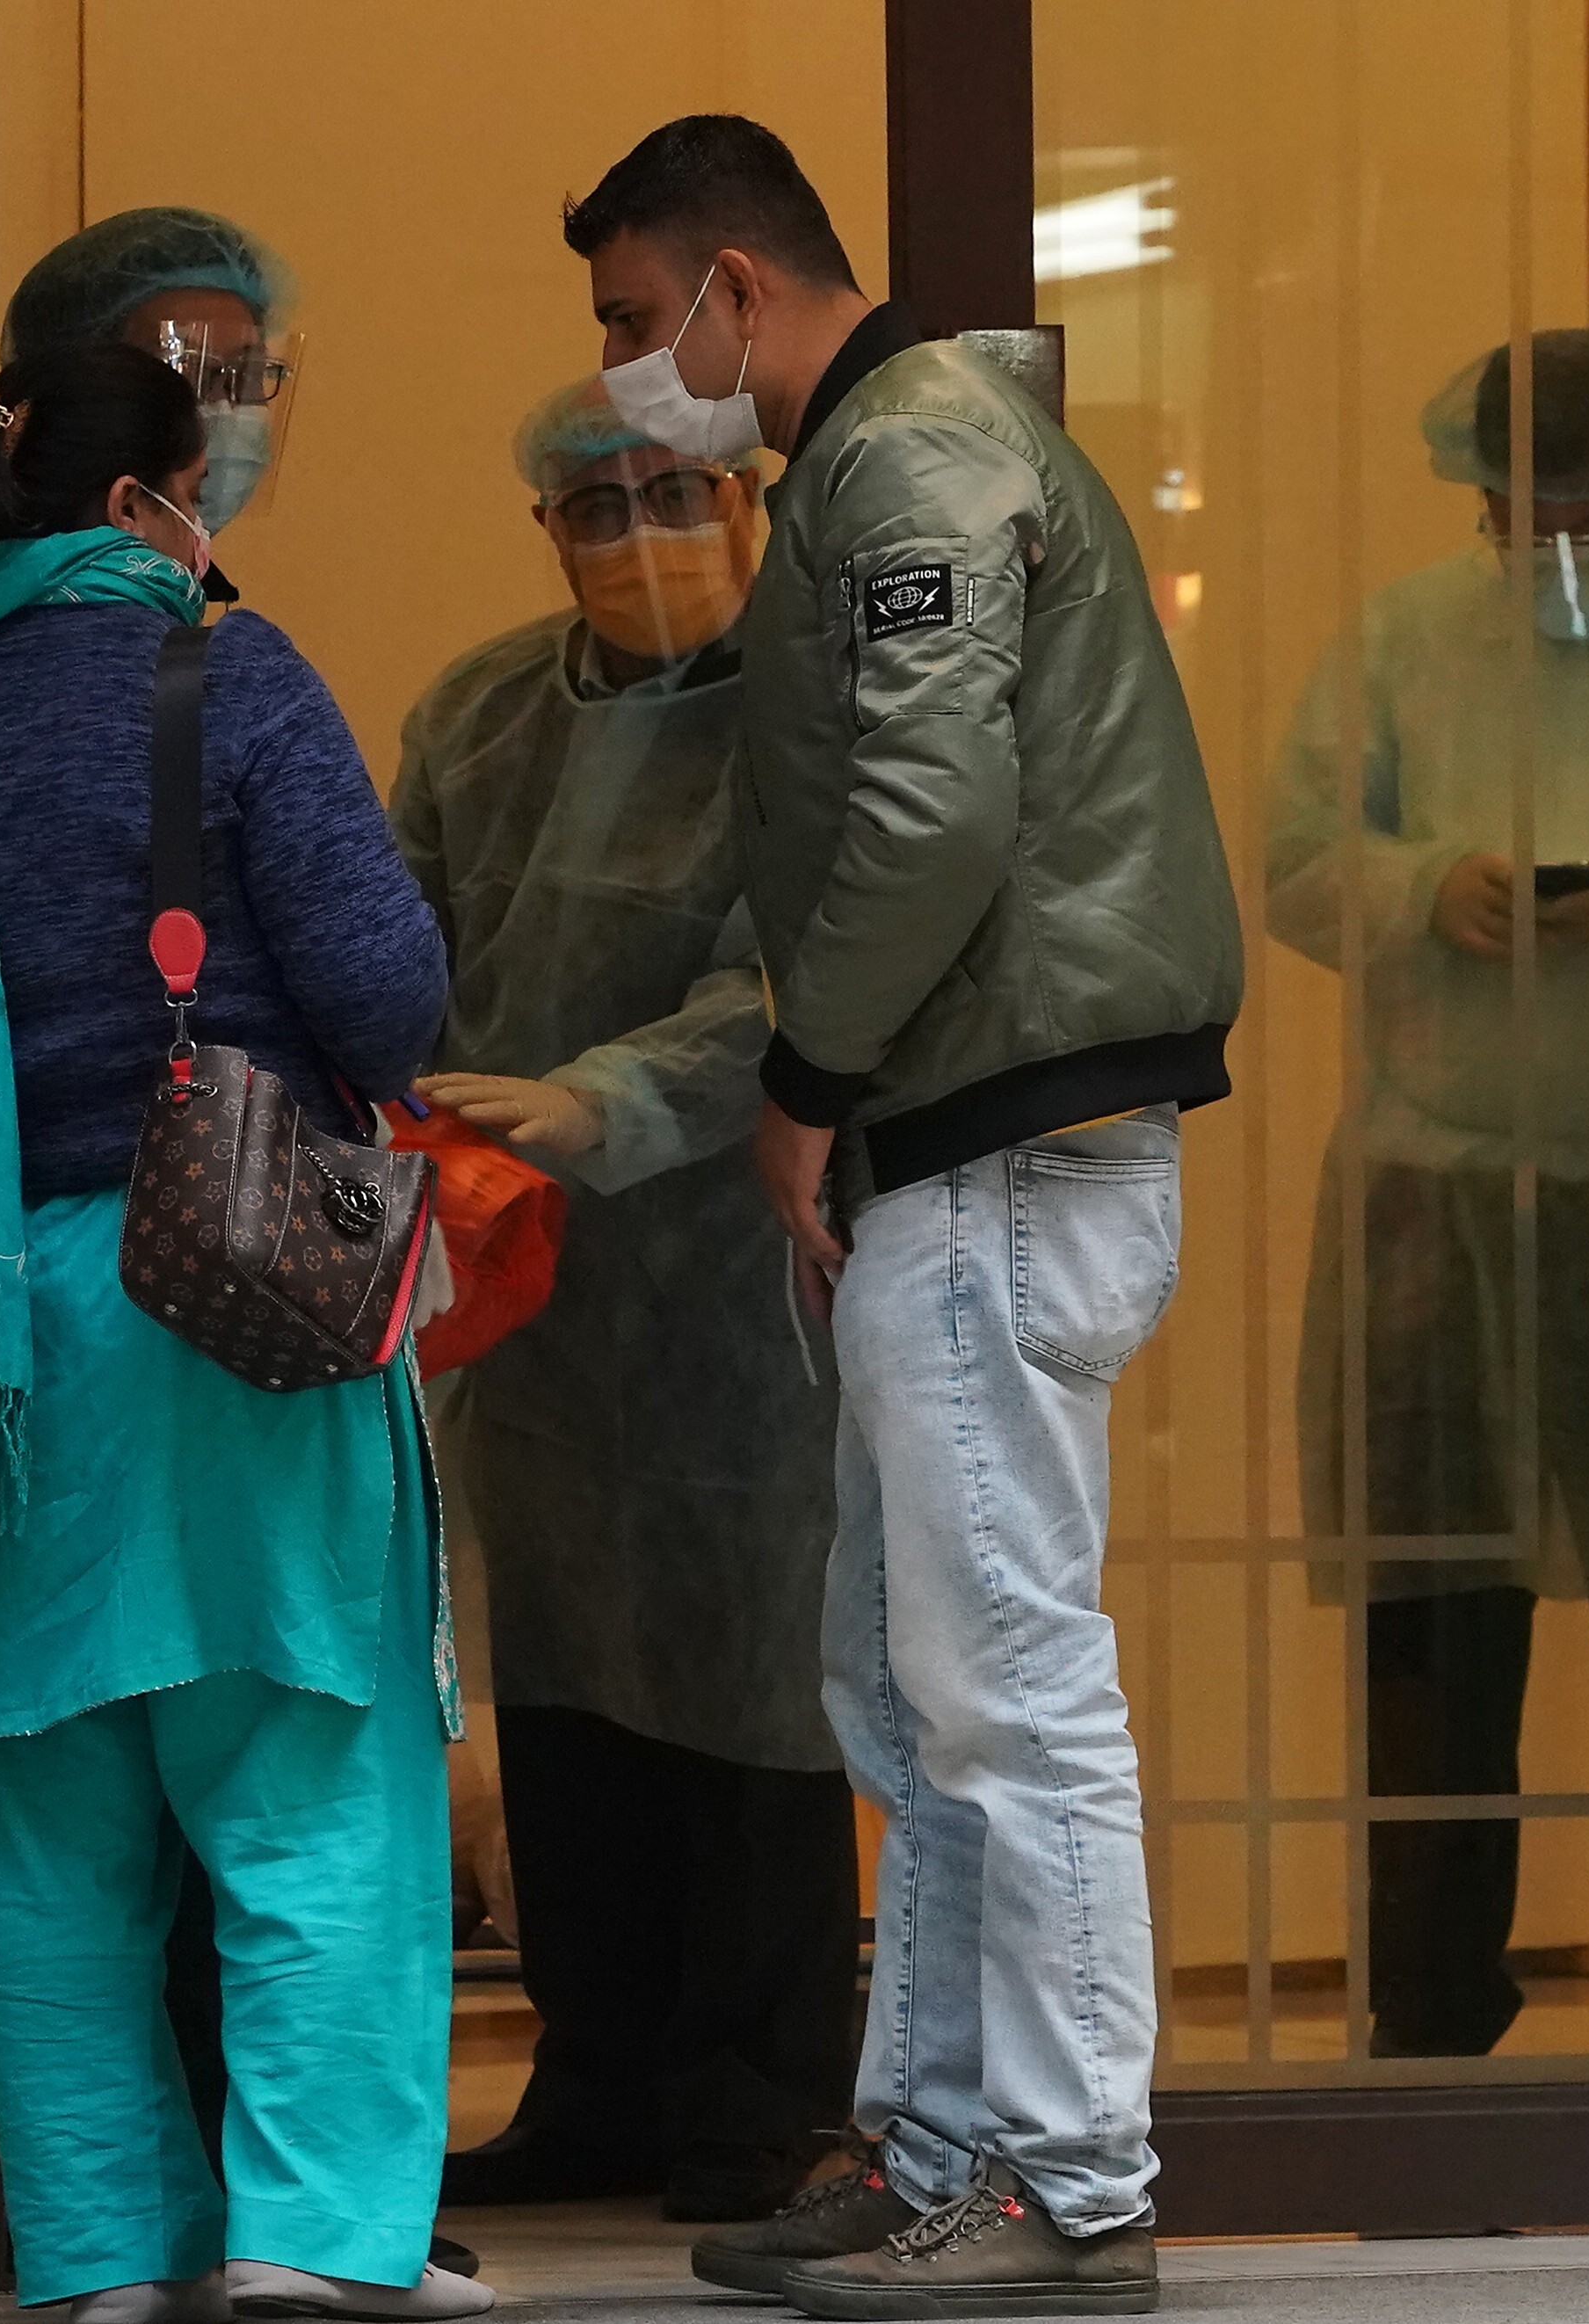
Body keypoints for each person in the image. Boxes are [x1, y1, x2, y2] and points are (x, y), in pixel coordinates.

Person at [566, 114, 1243, 2320]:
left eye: (625, 318)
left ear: (733, 292)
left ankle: (1066, 2174)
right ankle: (947, 2141)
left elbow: (933, 803)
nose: (621, 373)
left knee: (1000, 1678)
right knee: (902, 1674)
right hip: (962, 1133)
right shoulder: (901, 450)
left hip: (992, 1132)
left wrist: (803, 1075)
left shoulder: (909, 451)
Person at [0, 341, 482, 2324]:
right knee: (306, 1776)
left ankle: (107, 2259)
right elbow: (384, 1000)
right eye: (208, 480)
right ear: (136, 509)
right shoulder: (231, 676)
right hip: (235, 1295)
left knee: (47, 1818)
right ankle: (312, 2240)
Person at [395, 377, 857, 2225]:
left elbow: (805, 975)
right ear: (548, 529)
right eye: (603, 508)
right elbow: (393, 942)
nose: (644, 536)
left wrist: (608, 1097)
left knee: (754, 1692)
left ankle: (753, 2106)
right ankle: (593, 2079)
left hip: (739, 1284)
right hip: (531, 1280)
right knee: (572, 1683)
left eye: (683, 496)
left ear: (750, 503)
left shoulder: (810, 716)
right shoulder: (477, 714)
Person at [1267, 328, 1589, 2062]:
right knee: (1433, 1643)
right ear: (1476, 502)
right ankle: (1430, 2021)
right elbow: (1298, 851)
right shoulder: (1398, 640)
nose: (1569, 551)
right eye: (1530, 518)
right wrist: (1421, 886)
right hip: (1430, 1200)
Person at [4, 207, 301, 550]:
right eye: (185, 371)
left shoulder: (155, 586)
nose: (225, 409)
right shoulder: (60, 596)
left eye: (248, 373)